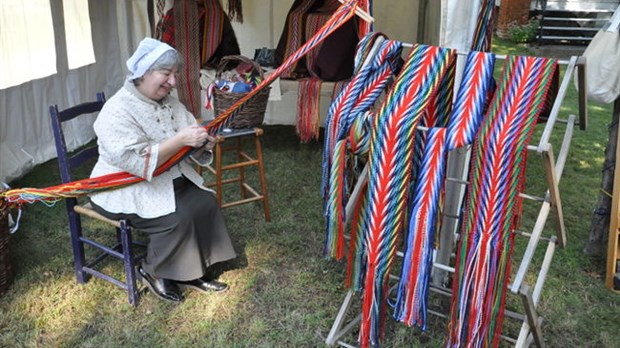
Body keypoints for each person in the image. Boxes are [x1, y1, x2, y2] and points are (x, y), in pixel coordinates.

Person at [89, 37, 237, 303]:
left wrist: (201, 142)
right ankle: (153, 270)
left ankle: (192, 271)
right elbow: (134, 162)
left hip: (164, 177)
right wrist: (180, 141)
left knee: (204, 201)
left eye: (175, 75)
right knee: (175, 217)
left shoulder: (168, 101)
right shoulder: (116, 111)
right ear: (143, 73)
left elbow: (188, 130)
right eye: (166, 74)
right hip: (122, 187)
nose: (173, 82)